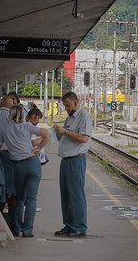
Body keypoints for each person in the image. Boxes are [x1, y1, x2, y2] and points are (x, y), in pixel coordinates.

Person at [0, 105, 50, 237]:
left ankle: (17, 229)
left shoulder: (4, 128)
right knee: (31, 199)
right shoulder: (27, 126)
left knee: (19, 198)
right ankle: (28, 231)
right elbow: (47, 134)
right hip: (33, 163)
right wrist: (38, 148)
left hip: (18, 165)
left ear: (10, 115)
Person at [53, 92, 92, 238]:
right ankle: (69, 225)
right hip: (66, 159)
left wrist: (66, 132)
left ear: (76, 103)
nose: (66, 109)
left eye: (68, 106)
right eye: (65, 106)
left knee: (76, 195)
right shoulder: (70, 117)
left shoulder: (84, 116)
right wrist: (59, 132)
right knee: (66, 195)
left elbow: (83, 138)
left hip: (76, 159)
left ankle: (79, 227)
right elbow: (64, 135)